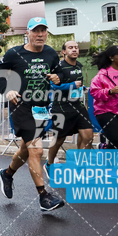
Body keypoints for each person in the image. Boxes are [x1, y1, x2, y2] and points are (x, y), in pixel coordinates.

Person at [0, 17, 65, 212]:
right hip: (21, 106)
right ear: (28, 33)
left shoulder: (51, 53)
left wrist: (59, 78)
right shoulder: (14, 53)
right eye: (36, 31)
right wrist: (7, 90)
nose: (40, 34)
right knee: (36, 150)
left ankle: (7, 174)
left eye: (43, 31)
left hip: (40, 107)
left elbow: (59, 73)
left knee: (26, 149)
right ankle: (44, 196)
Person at [46, 40, 93, 175]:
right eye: (70, 47)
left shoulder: (78, 65)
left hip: (78, 107)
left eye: (76, 47)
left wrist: (81, 88)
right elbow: (52, 87)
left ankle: (81, 166)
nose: (74, 50)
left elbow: (77, 85)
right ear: (63, 52)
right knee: (59, 139)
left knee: (88, 135)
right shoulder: (58, 67)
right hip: (61, 108)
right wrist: (72, 85)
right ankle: (49, 164)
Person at [89, 45, 118, 149]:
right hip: (105, 111)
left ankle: (104, 148)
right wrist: (109, 91)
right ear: (111, 57)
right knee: (116, 140)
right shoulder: (102, 74)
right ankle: (110, 163)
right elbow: (94, 92)